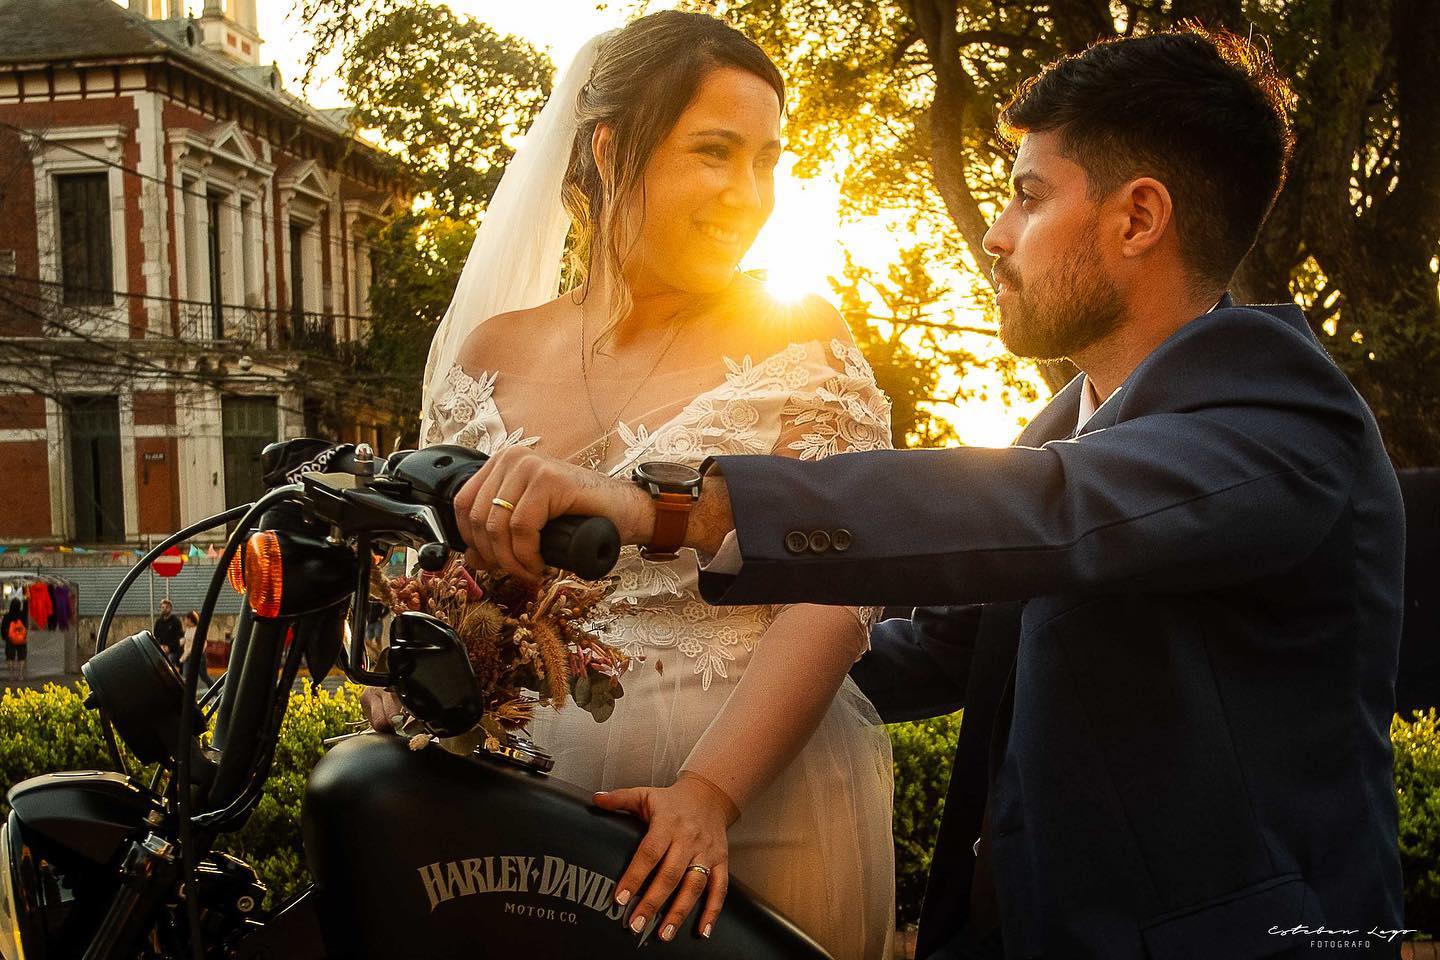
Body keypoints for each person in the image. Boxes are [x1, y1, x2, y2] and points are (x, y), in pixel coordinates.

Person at [451, 26, 1408, 960]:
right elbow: (948, 642)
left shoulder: (1283, 420)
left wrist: (672, 510)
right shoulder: (1069, 421)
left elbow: (1049, 511)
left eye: (1028, 198)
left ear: (1138, 218)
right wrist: (665, 680)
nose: (994, 234)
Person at [367, 12, 896, 958]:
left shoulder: (798, 334)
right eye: (715, 152)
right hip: (512, 806)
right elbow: (437, 571)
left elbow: (837, 580)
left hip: (748, 808)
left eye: (767, 160)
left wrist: (709, 794)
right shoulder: (491, 351)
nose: (749, 193)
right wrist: (409, 668)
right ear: (610, 149)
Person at [179, 610, 209, 691]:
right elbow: (185, 640)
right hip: (189, 656)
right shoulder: (188, 629)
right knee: (186, 677)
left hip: (197, 656)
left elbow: (192, 647)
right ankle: (187, 695)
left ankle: (215, 692)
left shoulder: (196, 631)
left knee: (203, 676)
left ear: (190, 620)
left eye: (185, 619)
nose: (184, 621)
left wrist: (183, 658)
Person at [152, 598, 183, 669]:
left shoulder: (176, 621)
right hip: (161, 649)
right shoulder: (158, 622)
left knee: (169, 664)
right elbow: (156, 636)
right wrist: (160, 646)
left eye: (166, 607)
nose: (164, 609)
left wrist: (169, 647)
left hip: (172, 651)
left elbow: (179, 637)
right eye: (162, 607)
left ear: (170, 608)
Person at [2, 597, 27, 684]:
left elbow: (3, 628)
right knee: (21, 657)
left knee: (10, 657)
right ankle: (20, 675)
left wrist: (5, 637)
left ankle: (11, 676)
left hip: (10, 639)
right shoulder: (22, 615)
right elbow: (25, 626)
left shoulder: (7, 615)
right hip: (21, 639)